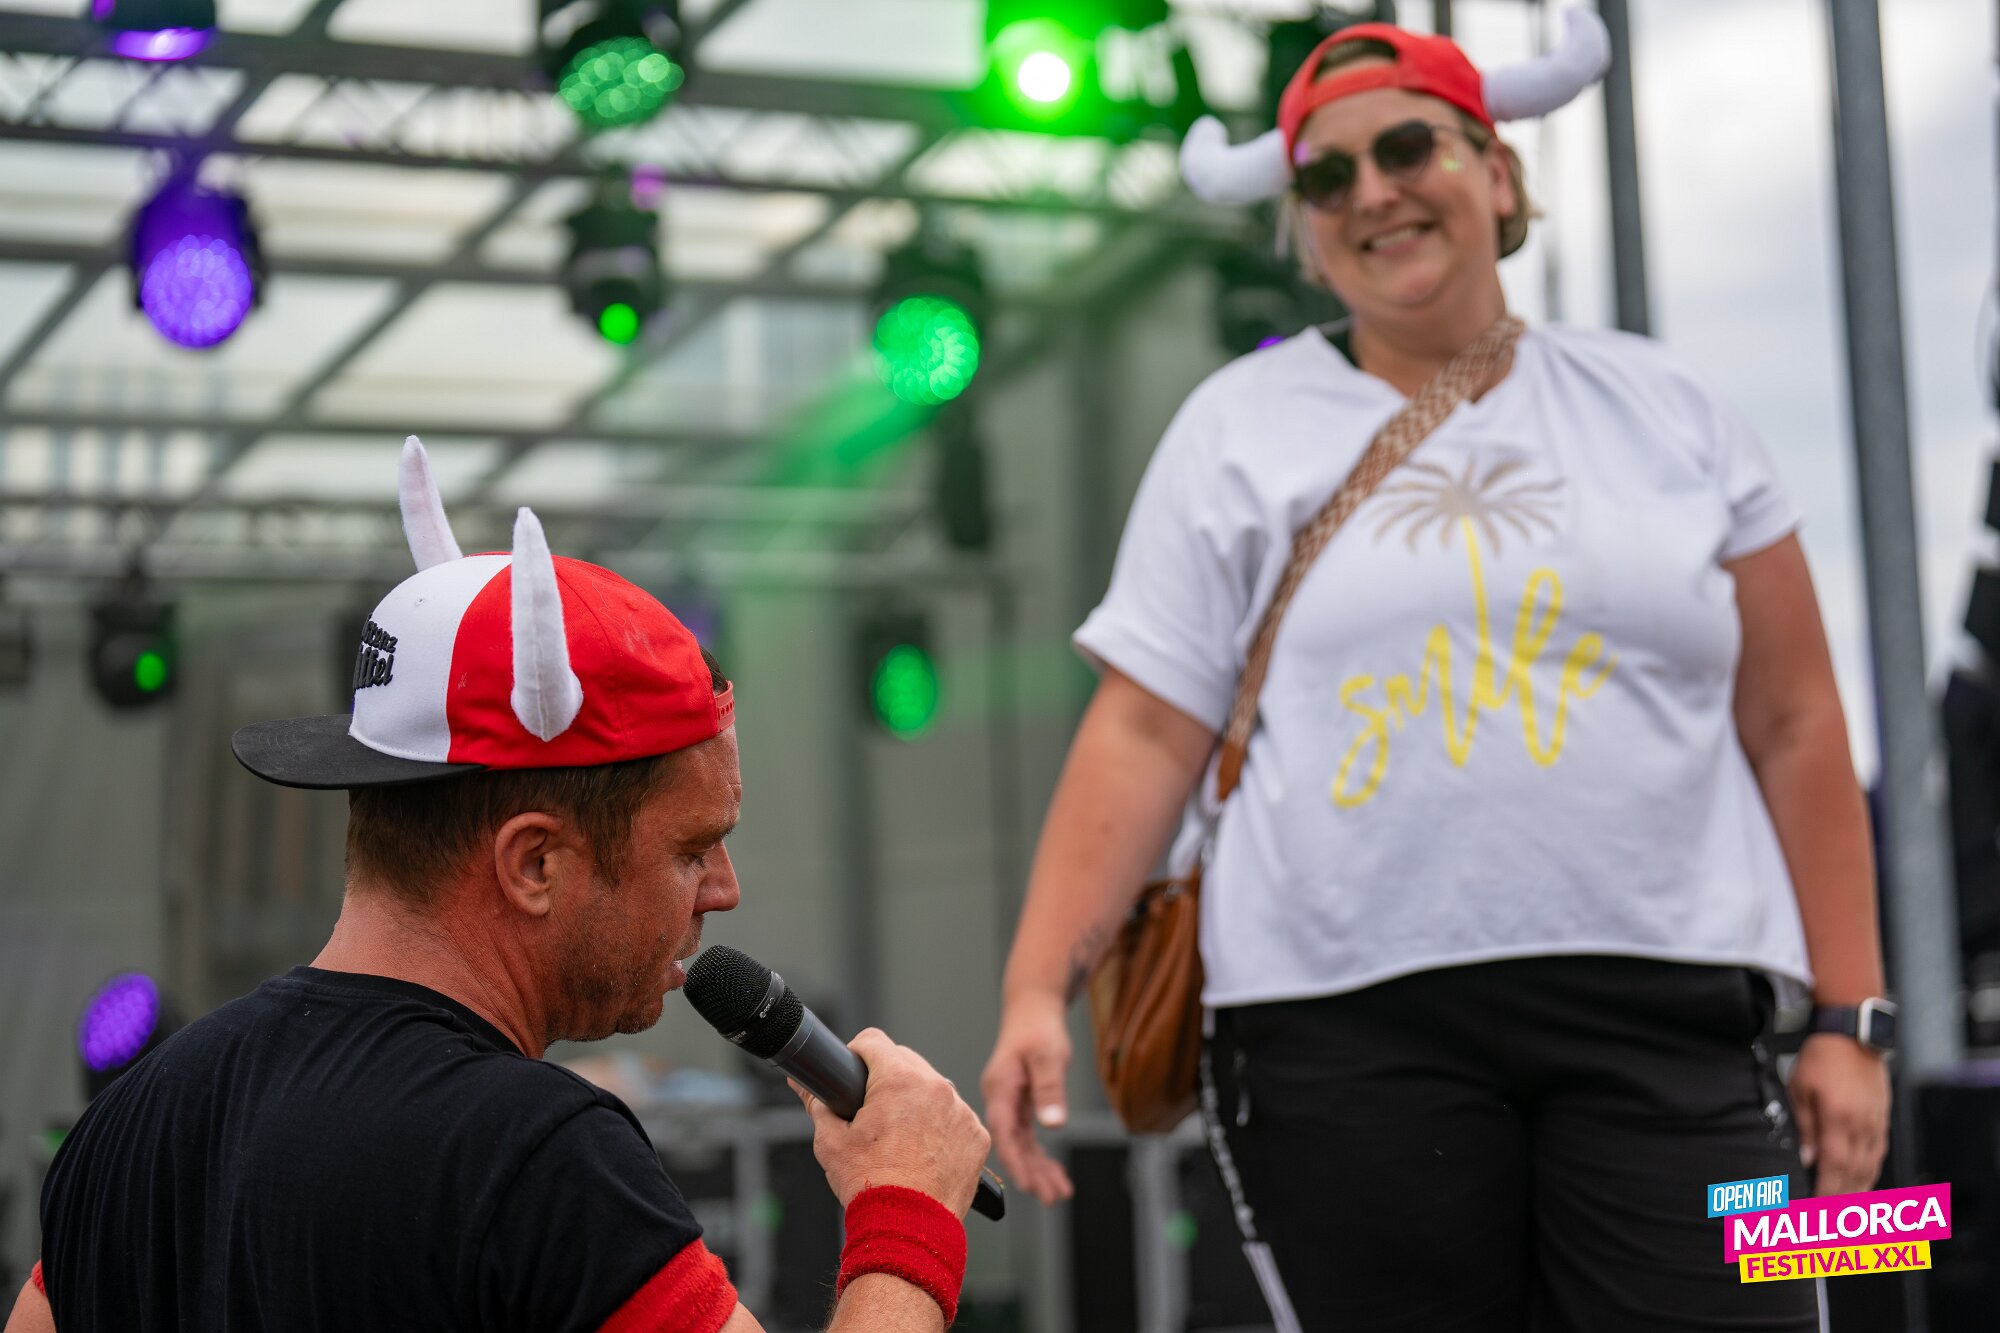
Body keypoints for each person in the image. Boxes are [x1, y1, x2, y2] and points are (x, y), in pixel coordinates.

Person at [981, 15, 1892, 1332]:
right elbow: (1141, 732)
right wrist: (1032, 991)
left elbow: (1797, 721)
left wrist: (1852, 1022)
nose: (1373, 191)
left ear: (1498, 172)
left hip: (1681, 1027)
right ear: (1302, 229)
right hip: (1334, 1035)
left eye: (1409, 147)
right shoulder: (1234, 427)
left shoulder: (1675, 409)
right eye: (1326, 175)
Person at [8, 439, 989, 1333]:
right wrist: (904, 1212)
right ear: (534, 863)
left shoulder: (123, 1135)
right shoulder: (535, 1157)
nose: (722, 890)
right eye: (693, 848)